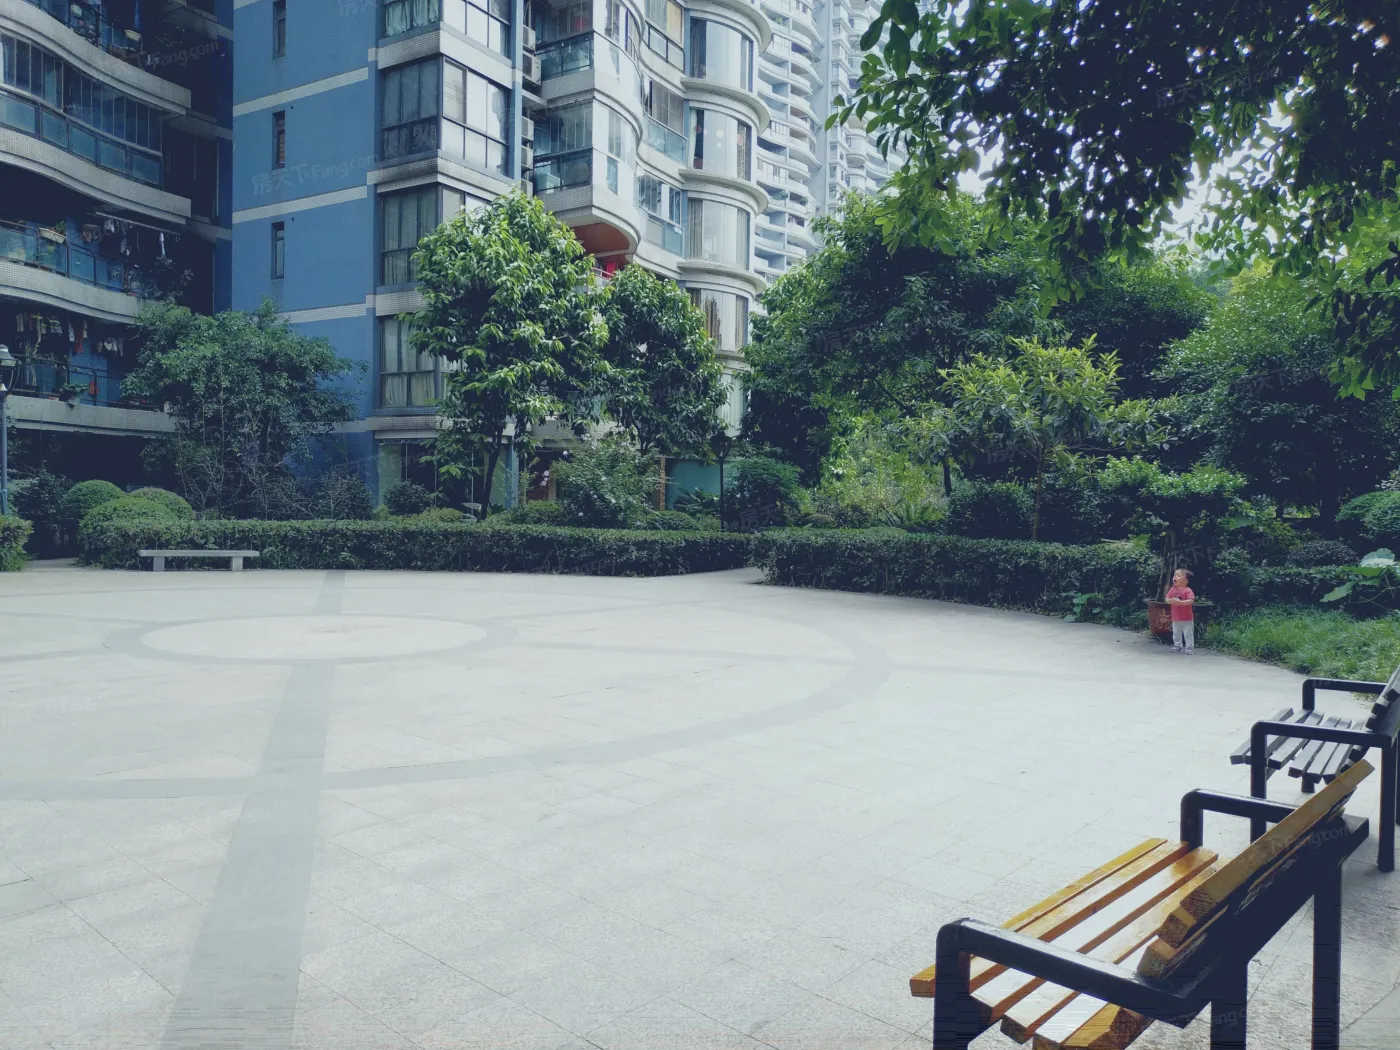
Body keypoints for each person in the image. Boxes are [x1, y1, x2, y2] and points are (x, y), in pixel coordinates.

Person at [1165, 568, 1196, 654]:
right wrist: (1169, 601)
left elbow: (1191, 601)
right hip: (1176, 617)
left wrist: (1180, 602)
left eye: (1178, 575)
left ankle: (1189, 647)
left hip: (1187, 618)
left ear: (1185, 581)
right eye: (1175, 575)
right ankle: (1177, 645)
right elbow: (1167, 598)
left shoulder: (1188, 590)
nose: (1175, 577)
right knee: (1176, 633)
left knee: (1188, 633)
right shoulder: (1172, 590)